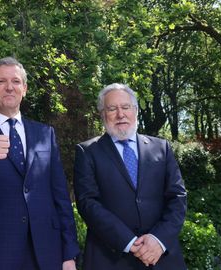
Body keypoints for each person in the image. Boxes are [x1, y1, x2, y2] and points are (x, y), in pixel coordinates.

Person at [0, 57, 80, 270]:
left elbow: (60, 198)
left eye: (16, 82)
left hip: (44, 255)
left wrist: (69, 254)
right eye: (1, 82)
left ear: (25, 88)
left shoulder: (45, 134)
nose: (10, 87)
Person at [73, 83, 187, 270]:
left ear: (135, 110)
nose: (120, 114)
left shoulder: (161, 148)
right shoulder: (87, 152)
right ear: (103, 114)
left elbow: (178, 197)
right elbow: (87, 202)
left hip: (162, 257)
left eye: (126, 107)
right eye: (112, 109)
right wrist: (129, 242)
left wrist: (158, 239)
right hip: (110, 258)